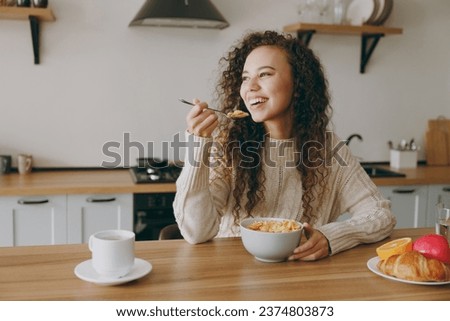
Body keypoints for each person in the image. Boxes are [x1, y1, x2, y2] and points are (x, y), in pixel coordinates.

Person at [173, 30, 396, 261]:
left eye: (265, 74)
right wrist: (197, 145)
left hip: (302, 280)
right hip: (234, 276)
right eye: (245, 78)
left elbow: (380, 214)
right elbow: (196, 232)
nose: (250, 87)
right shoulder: (229, 145)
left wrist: (331, 237)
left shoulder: (328, 148)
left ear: (298, 83)